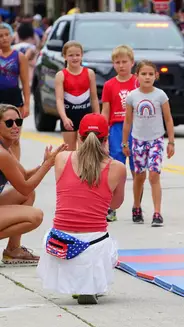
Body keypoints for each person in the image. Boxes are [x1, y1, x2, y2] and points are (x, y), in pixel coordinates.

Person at [37, 113, 126, 305]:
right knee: (109, 244)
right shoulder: (117, 167)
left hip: (59, 245)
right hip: (93, 246)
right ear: (106, 138)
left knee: (61, 229)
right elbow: (114, 205)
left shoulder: (61, 159)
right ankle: (89, 283)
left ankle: (77, 282)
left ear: (79, 137)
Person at [0, 104, 65, 264]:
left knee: (28, 195)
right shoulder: (2, 154)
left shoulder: (5, 149)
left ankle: (13, 250)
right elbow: (25, 185)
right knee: (35, 216)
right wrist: (48, 165)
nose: (15, 127)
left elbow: (24, 176)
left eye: (18, 122)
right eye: (9, 123)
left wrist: (44, 163)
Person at [122, 61, 175, 227]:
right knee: (139, 176)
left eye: (150, 74)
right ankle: (136, 207)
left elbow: (168, 119)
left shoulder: (160, 96)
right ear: (137, 76)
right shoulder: (132, 96)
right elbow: (128, 121)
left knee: (154, 175)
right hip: (138, 140)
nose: (147, 77)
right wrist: (125, 143)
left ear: (156, 76)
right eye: (143, 74)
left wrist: (171, 141)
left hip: (156, 140)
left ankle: (157, 212)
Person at [101, 45, 138, 222]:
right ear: (113, 64)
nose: (121, 65)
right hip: (116, 128)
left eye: (125, 62)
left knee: (137, 170)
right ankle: (111, 207)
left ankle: (136, 207)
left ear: (132, 62)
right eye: (118, 62)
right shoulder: (109, 85)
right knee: (116, 169)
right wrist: (103, 133)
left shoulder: (138, 82)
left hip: (137, 128)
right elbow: (105, 110)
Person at [55, 41, 100, 151]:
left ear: (82, 55)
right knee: (69, 151)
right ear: (65, 56)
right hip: (69, 116)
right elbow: (59, 99)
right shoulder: (61, 75)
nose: (74, 58)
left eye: (77, 55)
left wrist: (97, 118)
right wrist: (64, 118)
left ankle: (83, 169)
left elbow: (94, 98)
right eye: (71, 55)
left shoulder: (89, 73)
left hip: (85, 116)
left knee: (84, 151)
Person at [0, 24, 30, 161]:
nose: (4, 38)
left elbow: (25, 82)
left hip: (14, 99)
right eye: (1, 36)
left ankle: (16, 170)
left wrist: (27, 104)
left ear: (12, 36)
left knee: (15, 138)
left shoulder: (19, 56)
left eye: (7, 35)